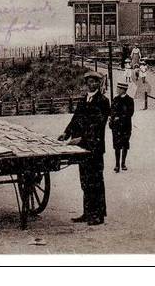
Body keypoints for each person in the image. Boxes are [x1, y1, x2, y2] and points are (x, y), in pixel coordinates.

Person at [58, 71, 110, 226]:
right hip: (82, 147)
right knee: (85, 181)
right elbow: (75, 119)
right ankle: (87, 213)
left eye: (94, 81)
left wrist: (82, 138)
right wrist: (65, 133)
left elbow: (98, 125)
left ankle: (98, 215)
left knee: (96, 181)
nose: (91, 84)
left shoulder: (103, 101)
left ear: (99, 83)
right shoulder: (83, 100)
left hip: (94, 147)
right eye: (89, 81)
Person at [109, 82, 134, 173]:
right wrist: (111, 119)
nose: (117, 90)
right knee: (116, 146)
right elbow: (111, 111)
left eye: (118, 89)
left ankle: (123, 163)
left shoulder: (130, 100)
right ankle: (116, 164)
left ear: (123, 90)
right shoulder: (115, 99)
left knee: (125, 144)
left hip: (126, 126)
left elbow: (130, 113)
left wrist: (119, 117)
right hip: (116, 127)